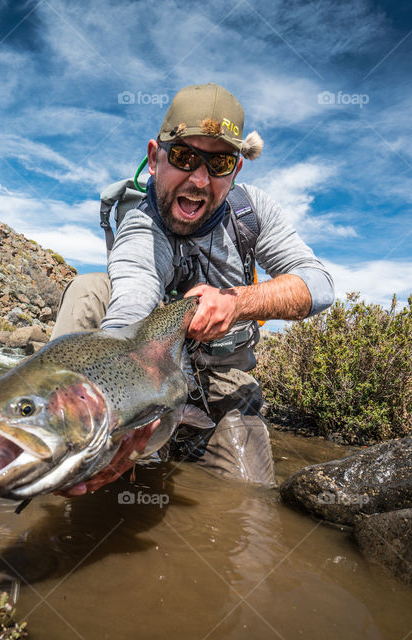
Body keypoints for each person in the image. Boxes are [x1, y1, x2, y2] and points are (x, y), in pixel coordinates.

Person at [52, 83, 334, 495]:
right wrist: (121, 411)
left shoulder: (252, 212)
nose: (200, 179)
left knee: (248, 504)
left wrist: (238, 303)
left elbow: (319, 285)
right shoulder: (141, 228)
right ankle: (65, 429)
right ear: (154, 159)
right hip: (152, 377)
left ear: (235, 171)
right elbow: (129, 308)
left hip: (223, 385)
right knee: (91, 289)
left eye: (219, 163)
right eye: (185, 157)